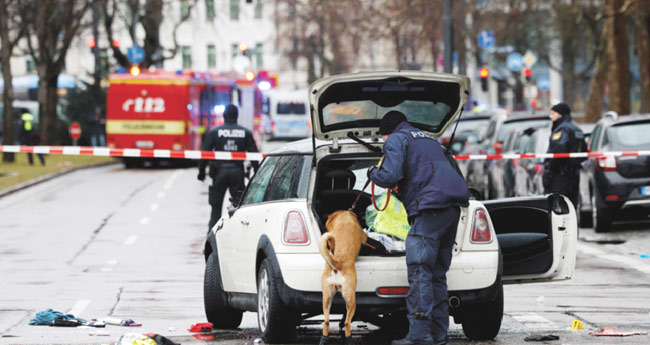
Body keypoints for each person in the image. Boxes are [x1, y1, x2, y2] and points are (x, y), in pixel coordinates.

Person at [367, 111, 469, 345]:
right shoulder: (427, 139)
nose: (384, 142)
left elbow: (390, 174)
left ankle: (419, 337)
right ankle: (437, 335)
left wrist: (372, 173)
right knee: (436, 274)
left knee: (420, 271)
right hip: (451, 209)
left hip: (429, 209)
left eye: (382, 138)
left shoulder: (396, 139)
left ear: (387, 132)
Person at [197, 104, 259, 230]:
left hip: (219, 173)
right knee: (238, 209)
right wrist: (257, 172)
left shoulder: (214, 132)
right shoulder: (245, 132)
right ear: (237, 116)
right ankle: (237, 237)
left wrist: (201, 171)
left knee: (216, 209)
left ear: (224, 116)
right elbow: (253, 154)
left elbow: (205, 153)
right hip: (237, 173)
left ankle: (211, 241)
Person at [543, 102, 584, 209]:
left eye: (553, 113)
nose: (550, 116)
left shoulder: (562, 129)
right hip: (574, 174)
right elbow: (584, 153)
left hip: (560, 175)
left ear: (560, 115)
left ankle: (561, 226)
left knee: (558, 206)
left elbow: (559, 151)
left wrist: (551, 168)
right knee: (572, 206)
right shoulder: (577, 129)